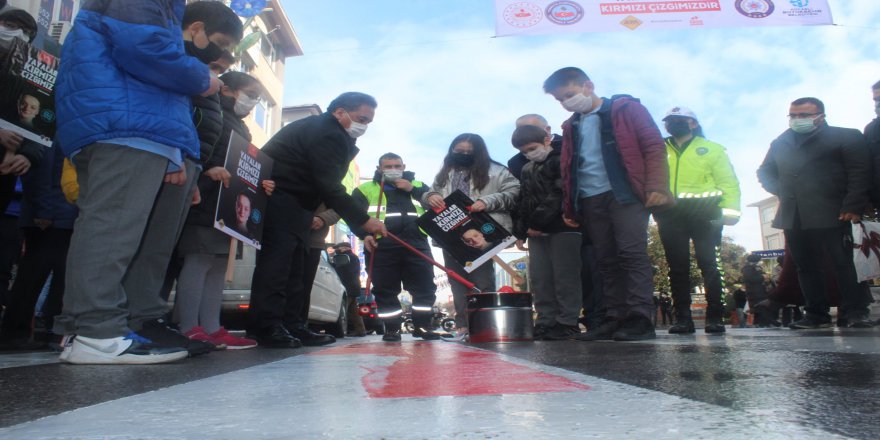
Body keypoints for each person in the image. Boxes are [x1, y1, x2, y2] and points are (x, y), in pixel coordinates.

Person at [51, 0, 235, 365]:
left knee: (120, 231)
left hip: (133, 121)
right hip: (124, 122)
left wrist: (176, 149)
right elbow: (143, 48)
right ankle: (96, 332)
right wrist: (203, 79)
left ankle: (109, 326)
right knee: (112, 230)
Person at [247, 92, 387, 348]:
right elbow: (329, 186)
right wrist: (363, 221)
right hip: (281, 199)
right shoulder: (326, 132)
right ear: (339, 112)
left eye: (368, 122)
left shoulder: (330, 132)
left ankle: (293, 324)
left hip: (299, 205)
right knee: (277, 266)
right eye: (361, 119)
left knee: (296, 269)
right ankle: (266, 326)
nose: (364, 126)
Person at [543, 67, 672, 342]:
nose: (566, 102)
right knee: (605, 259)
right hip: (590, 198)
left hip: (625, 193)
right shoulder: (571, 125)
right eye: (559, 100)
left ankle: (639, 318)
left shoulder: (626, 110)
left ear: (588, 85)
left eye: (569, 94)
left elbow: (652, 146)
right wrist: (569, 207)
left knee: (631, 253)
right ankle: (614, 317)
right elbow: (569, 168)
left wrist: (657, 187)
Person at [757, 97, 874, 329]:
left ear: (820, 116)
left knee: (844, 263)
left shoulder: (846, 136)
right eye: (793, 115)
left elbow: (860, 173)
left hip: (835, 212)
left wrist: (852, 205)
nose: (798, 120)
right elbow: (765, 171)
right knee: (806, 266)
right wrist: (782, 190)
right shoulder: (781, 142)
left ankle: (856, 311)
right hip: (794, 215)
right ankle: (815, 313)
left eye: (805, 115)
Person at [174, 70, 264, 351]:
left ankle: (212, 326)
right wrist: (204, 173)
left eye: (257, 99)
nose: (252, 103)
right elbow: (196, 148)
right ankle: (188, 326)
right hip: (205, 198)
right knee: (199, 260)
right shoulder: (209, 111)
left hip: (228, 206)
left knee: (216, 265)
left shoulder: (241, 126)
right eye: (250, 94)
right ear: (226, 90)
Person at [654, 106, 741, 335]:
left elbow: (728, 181)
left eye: (678, 120)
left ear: (692, 123)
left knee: (710, 263)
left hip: (706, 212)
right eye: (669, 121)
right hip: (670, 212)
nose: (672, 124)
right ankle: (683, 318)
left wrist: (731, 212)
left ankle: (715, 316)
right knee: (677, 267)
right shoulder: (659, 148)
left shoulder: (712, 149)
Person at [424, 133, 519, 337]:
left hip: (483, 229)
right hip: (450, 234)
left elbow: (514, 192)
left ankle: (486, 324)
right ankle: (463, 325)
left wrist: (487, 201)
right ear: (451, 151)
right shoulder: (445, 172)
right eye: (459, 151)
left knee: (482, 280)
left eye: (469, 152)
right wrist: (430, 196)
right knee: (457, 280)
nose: (464, 155)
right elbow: (431, 192)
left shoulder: (497, 171)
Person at [353, 153, 439, 341]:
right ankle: (392, 329)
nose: (393, 169)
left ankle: (422, 326)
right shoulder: (365, 190)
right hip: (381, 246)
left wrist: (412, 190)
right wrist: (364, 235)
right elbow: (353, 216)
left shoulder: (419, 186)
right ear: (379, 169)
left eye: (396, 166)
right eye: (388, 166)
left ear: (404, 166)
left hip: (417, 244)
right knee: (385, 290)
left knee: (424, 288)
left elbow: (436, 207)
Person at [511, 124, 582, 340]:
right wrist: (521, 231)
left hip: (563, 228)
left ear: (547, 139)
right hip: (536, 232)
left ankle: (568, 321)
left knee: (565, 277)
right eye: (523, 151)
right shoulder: (527, 169)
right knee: (541, 278)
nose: (529, 154)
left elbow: (560, 194)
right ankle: (545, 321)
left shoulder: (561, 160)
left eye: (532, 148)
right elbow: (523, 200)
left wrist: (538, 223)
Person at [0, 146, 75, 350]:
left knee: (55, 277)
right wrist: (44, 211)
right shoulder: (50, 131)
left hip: (61, 213)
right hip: (49, 216)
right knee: (32, 277)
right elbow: (39, 173)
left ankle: (45, 332)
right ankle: (16, 333)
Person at [0, 9, 41, 214]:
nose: (17, 34)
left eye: (25, 32)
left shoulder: (30, 77)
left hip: (5, 173)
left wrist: (28, 156)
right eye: (10, 26)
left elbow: (40, 127)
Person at [330, 241, 365, 337]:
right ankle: (360, 330)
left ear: (346, 248)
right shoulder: (352, 257)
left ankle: (341, 330)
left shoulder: (347, 257)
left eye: (338, 248)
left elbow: (341, 270)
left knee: (343, 309)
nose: (337, 250)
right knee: (354, 311)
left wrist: (333, 265)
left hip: (348, 287)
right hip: (353, 286)